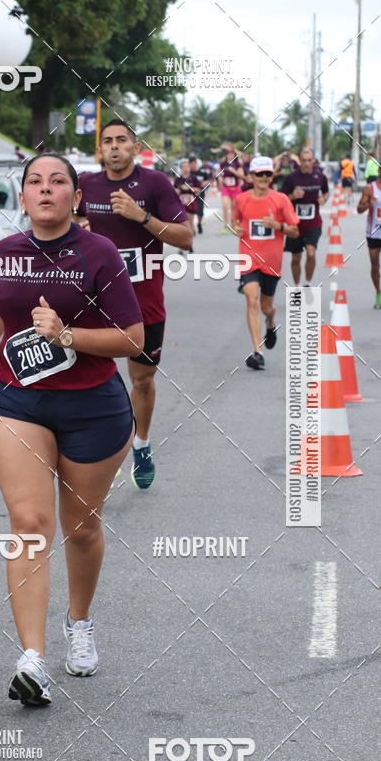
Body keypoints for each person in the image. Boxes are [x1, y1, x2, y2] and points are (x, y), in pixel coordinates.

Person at [0, 154, 144, 705]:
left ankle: (79, 622)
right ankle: (32, 659)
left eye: (57, 182)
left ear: (75, 197)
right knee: (30, 521)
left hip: (92, 406)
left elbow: (132, 338)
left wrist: (67, 335)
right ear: (23, 197)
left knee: (80, 529)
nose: (45, 190)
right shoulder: (6, 252)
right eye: (35, 182)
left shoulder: (100, 254)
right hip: (16, 398)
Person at [75, 119, 192, 489]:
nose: (114, 147)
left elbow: (185, 237)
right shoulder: (86, 184)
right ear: (99, 150)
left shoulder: (154, 183)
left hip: (143, 301)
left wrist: (140, 216)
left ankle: (141, 444)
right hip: (93, 299)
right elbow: (67, 226)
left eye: (121, 140)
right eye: (107, 141)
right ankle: (94, 453)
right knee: (89, 381)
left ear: (135, 146)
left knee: (141, 381)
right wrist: (81, 231)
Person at [232, 155, 299, 370]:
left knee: (266, 307)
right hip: (249, 260)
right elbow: (235, 221)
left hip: (272, 262)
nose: (263, 177)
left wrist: (277, 226)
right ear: (251, 176)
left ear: (272, 176)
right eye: (259, 174)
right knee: (251, 299)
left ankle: (271, 322)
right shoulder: (241, 199)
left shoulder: (281, 200)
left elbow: (295, 231)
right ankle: (257, 351)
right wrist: (237, 229)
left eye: (267, 174)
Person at [282, 147, 329, 285]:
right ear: (299, 161)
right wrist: (292, 196)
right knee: (296, 257)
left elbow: (326, 192)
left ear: (313, 161)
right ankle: (296, 287)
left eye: (309, 160)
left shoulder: (320, 176)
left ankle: (307, 283)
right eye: (304, 160)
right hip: (294, 223)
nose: (307, 163)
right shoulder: (291, 178)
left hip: (313, 222)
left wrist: (324, 199)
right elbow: (282, 198)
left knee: (311, 252)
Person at [357, 157, 381, 308]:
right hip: (373, 233)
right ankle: (378, 292)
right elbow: (359, 210)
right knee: (375, 266)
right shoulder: (370, 188)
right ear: (379, 170)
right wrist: (368, 203)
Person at [217, 147, 244, 232]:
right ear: (226, 155)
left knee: (234, 207)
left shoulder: (237, 164)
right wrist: (220, 181)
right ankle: (225, 225)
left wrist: (233, 171)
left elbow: (241, 175)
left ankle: (233, 225)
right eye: (228, 154)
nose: (230, 156)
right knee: (225, 206)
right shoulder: (223, 164)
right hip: (226, 188)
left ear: (234, 155)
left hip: (236, 188)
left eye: (232, 154)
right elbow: (219, 174)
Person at [174, 159, 201, 239]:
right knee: (182, 223)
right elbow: (174, 191)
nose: (185, 169)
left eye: (187, 167)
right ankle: (183, 242)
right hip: (181, 203)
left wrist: (189, 188)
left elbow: (199, 189)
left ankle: (190, 243)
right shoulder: (178, 179)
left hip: (191, 202)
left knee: (190, 222)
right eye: (183, 167)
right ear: (181, 169)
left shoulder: (193, 178)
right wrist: (179, 189)